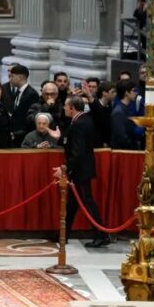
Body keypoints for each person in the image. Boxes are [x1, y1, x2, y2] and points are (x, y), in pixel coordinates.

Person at [53, 96, 109, 248]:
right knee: (72, 203)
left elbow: (77, 151)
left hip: (81, 170)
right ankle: (63, 233)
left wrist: (64, 168)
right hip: (81, 168)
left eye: (65, 106)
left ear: (72, 108)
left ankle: (101, 235)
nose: (63, 108)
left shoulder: (79, 124)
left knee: (87, 201)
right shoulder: (84, 120)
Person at [3, 64, 39, 146]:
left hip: (23, 137)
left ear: (20, 77)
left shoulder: (31, 94)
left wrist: (18, 133)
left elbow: (30, 119)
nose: (10, 79)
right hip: (15, 135)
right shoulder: (18, 92)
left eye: (12, 76)